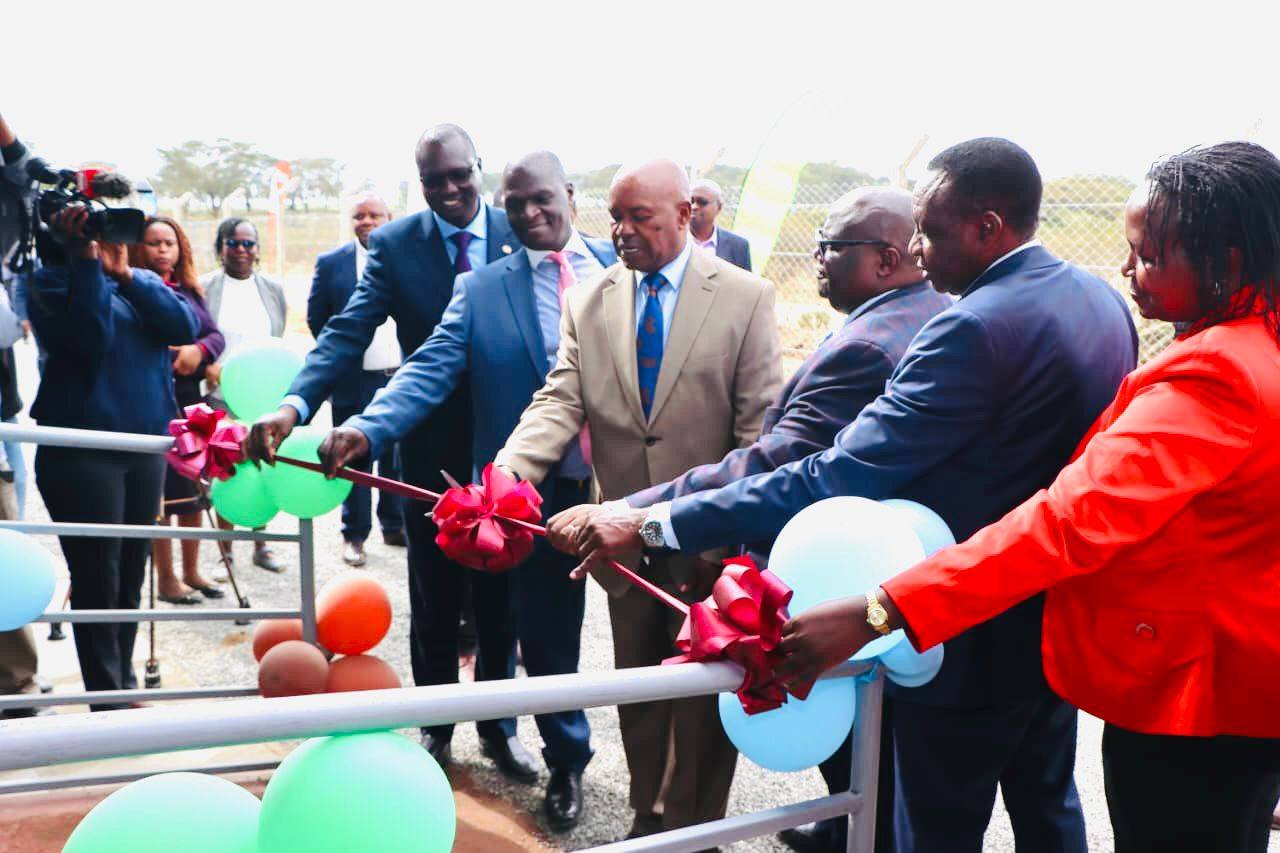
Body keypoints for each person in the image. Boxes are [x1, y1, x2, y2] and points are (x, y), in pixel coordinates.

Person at [558, 138, 1139, 852]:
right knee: (1048, 804)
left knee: (930, 827)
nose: (918, 250)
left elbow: (832, 473)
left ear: (988, 227)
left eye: (930, 229)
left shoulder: (969, 327)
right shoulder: (1099, 300)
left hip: (959, 631)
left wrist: (652, 522)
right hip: (1043, 614)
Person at [774, 140, 1280, 853]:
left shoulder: (1215, 372)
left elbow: (1067, 522)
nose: (1126, 269)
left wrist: (882, 609)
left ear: (1226, 262)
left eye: (1147, 254)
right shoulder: (1258, 343)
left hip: (1191, 706)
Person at [585, 186, 952, 853]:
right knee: (880, 758)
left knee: (873, 755)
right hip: (884, 575)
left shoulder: (865, 346)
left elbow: (775, 461)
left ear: (885, 258)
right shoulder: (924, 313)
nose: (816, 258)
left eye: (830, 246)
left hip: (842, 578)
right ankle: (846, 827)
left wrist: (638, 513)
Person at [317, 151, 616, 831]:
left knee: (609, 640)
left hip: (613, 491)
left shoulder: (617, 270)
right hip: (522, 497)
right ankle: (566, 764)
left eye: (543, 199)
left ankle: (664, 786)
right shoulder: (481, 289)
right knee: (541, 639)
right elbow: (427, 370)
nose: (532, 215)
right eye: (517, 206)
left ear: (569, 195)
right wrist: (367, 427)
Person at [494, 158, 782, 839]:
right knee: (640, 696)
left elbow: (757, 432)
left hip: (709, 547)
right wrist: (507, 476)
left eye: (639, 217)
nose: (621, 231)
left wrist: (739, 547)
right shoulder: (589, 300)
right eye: (615, 217)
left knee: (706, 710)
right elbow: (560, 398)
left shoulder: (745, 298)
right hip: (621, 548)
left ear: (685, 214)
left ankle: (694, 829)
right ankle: (648, 820)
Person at [244, 124, 527, 777]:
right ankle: (437, 729)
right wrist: (294, 405)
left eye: (460, 175)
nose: (450, 189)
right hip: (426, 444)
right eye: (435, 181)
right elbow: (347, 332)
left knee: (500, 599)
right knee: (433, 595)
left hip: (511, 449)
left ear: (478, 168)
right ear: (419, 184)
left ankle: (500, 726)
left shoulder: (519, 229)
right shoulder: (397, 246)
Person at [29, 205, 197, 711]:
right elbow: (88, 340)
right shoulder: (50, 283)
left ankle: (119, 683)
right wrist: (87, 266)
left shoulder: (138, 281)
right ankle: (107, 697)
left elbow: (182, 324)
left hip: (143, 448)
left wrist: (126, 275)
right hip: (84, 454)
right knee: (98, 574)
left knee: (130, 571)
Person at [127, 216, 226, 604]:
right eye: (154, 243)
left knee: (194, 488)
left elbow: (213, 334)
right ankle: (166, 578)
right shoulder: (130, 289)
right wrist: (169, 352)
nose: (163, 249)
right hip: (152, 402)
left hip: (190, 402)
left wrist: (199, 351)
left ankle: (192, 571)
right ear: (139, 248)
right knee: (162, 496)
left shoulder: (189, 290)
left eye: (170, 242)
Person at [306, 194, 405, 568]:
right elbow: (318, 319)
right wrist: (340, 361)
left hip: (397, 378)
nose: (366, 221)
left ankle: (394, 526)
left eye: (374, 215)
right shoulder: (332, 264)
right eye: (358, 216)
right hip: (353, 382)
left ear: (389, 219)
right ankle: (354, 535)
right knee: (352, 461)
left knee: (396, 458)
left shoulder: (404, 257)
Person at [201, 217, 288, 574]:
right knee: (227, 472)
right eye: (233, 243)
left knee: (262, 466)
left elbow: (277, 338)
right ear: (220, 247)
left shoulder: (272, 289)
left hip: (263, 397)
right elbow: (199, 335)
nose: (241, 251)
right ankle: (226, 553)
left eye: (248, 244)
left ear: (257, 249)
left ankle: (261, 544)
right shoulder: (206, 287)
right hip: (221, 394)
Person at [689, 178, 752, 271]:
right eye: (691, 201)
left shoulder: (738, 247)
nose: (694, 207)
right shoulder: (672, 241)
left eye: (702, 202)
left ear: (719, 207)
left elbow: (747, 284)